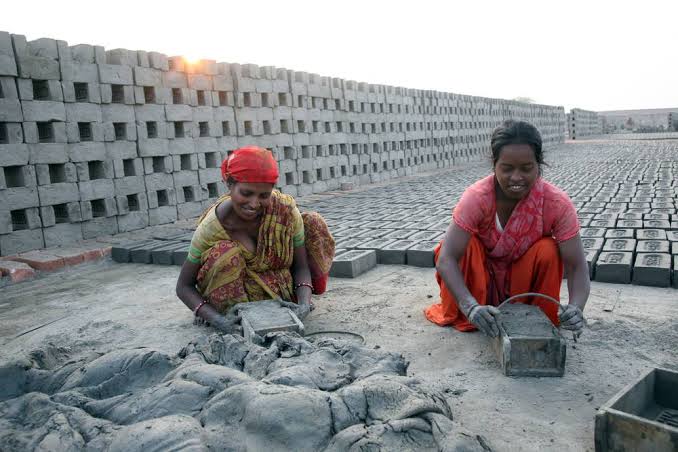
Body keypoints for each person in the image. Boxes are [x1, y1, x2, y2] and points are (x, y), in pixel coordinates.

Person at [425, 120, 590, 338]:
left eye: (526, 168)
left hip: (523, 283)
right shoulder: (477, 198)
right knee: (465, 246)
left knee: (548, 249)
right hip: (478, 282)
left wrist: (576, 307)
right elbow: (446, 258)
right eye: (507, 168)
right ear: (494, 165)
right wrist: (471, 307)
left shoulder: (556, 203)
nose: (516, 178)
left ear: (539, 165)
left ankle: (536, 316)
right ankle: (475, 313)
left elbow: (577, 265)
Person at [176, 146, 335, 333]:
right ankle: (225, 313)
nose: (254, 204)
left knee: (314, 223)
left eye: (264, 196)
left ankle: (294, 302)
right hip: (236, 297)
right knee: (224, 254)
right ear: (229, 184)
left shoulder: (285, 211)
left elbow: (300, 267)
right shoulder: (212, 227)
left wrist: (304, 302)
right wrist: (216, 319)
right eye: (246, 193)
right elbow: (183, 286)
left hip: (280, 291)